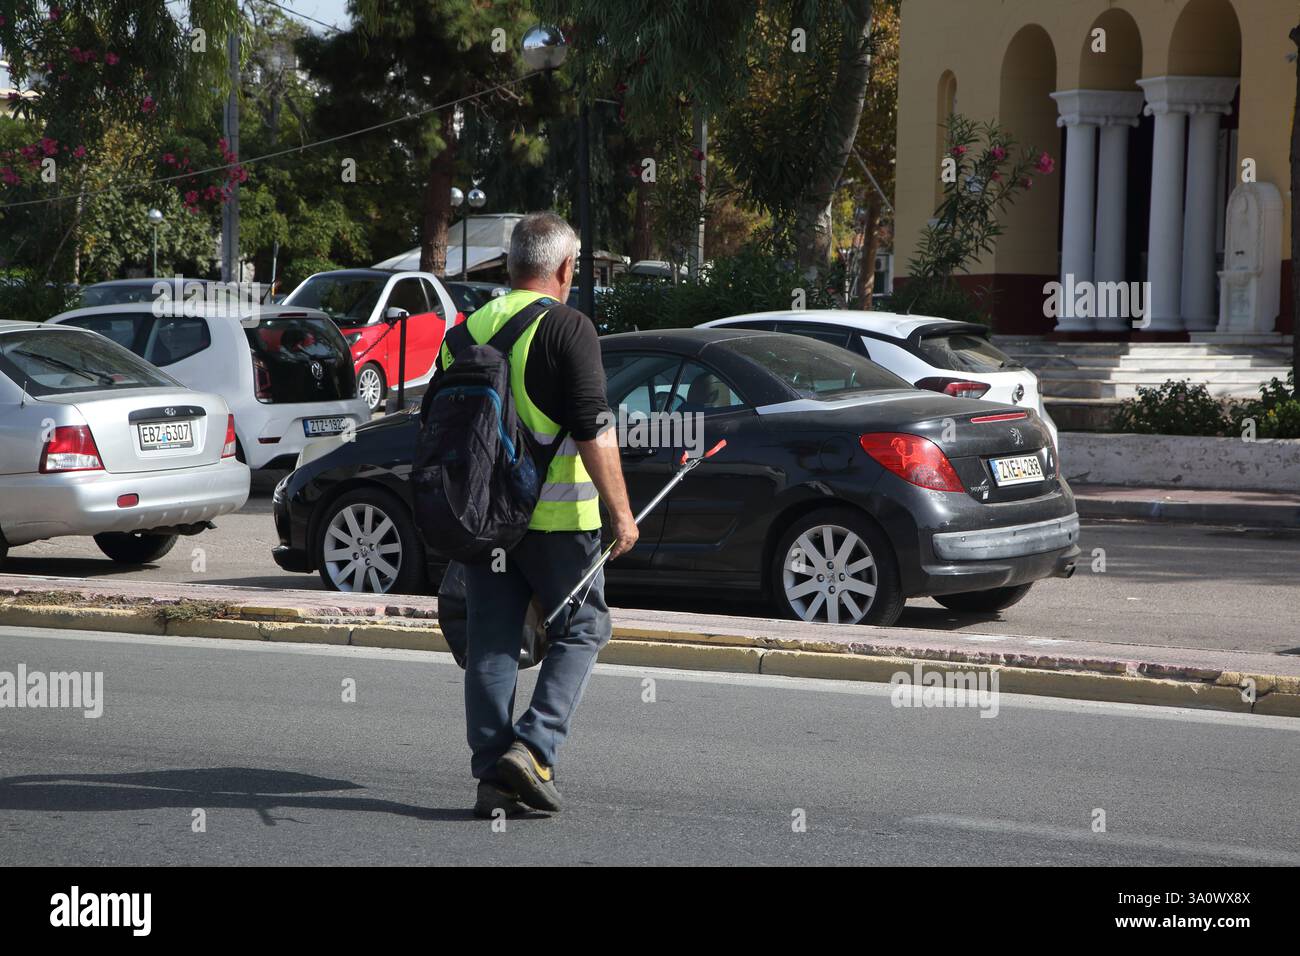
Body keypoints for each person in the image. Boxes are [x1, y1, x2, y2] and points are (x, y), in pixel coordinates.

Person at [436, 211, 639, 818]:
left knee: (492, 642)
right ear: (565, 268)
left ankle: (491, 777)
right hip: (558, 526)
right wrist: (621, 514)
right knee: (583, 629)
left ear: (511, 264)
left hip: (481, 523)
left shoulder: (462, 332)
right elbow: (593, 428)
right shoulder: (570, 328)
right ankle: (533, 747)